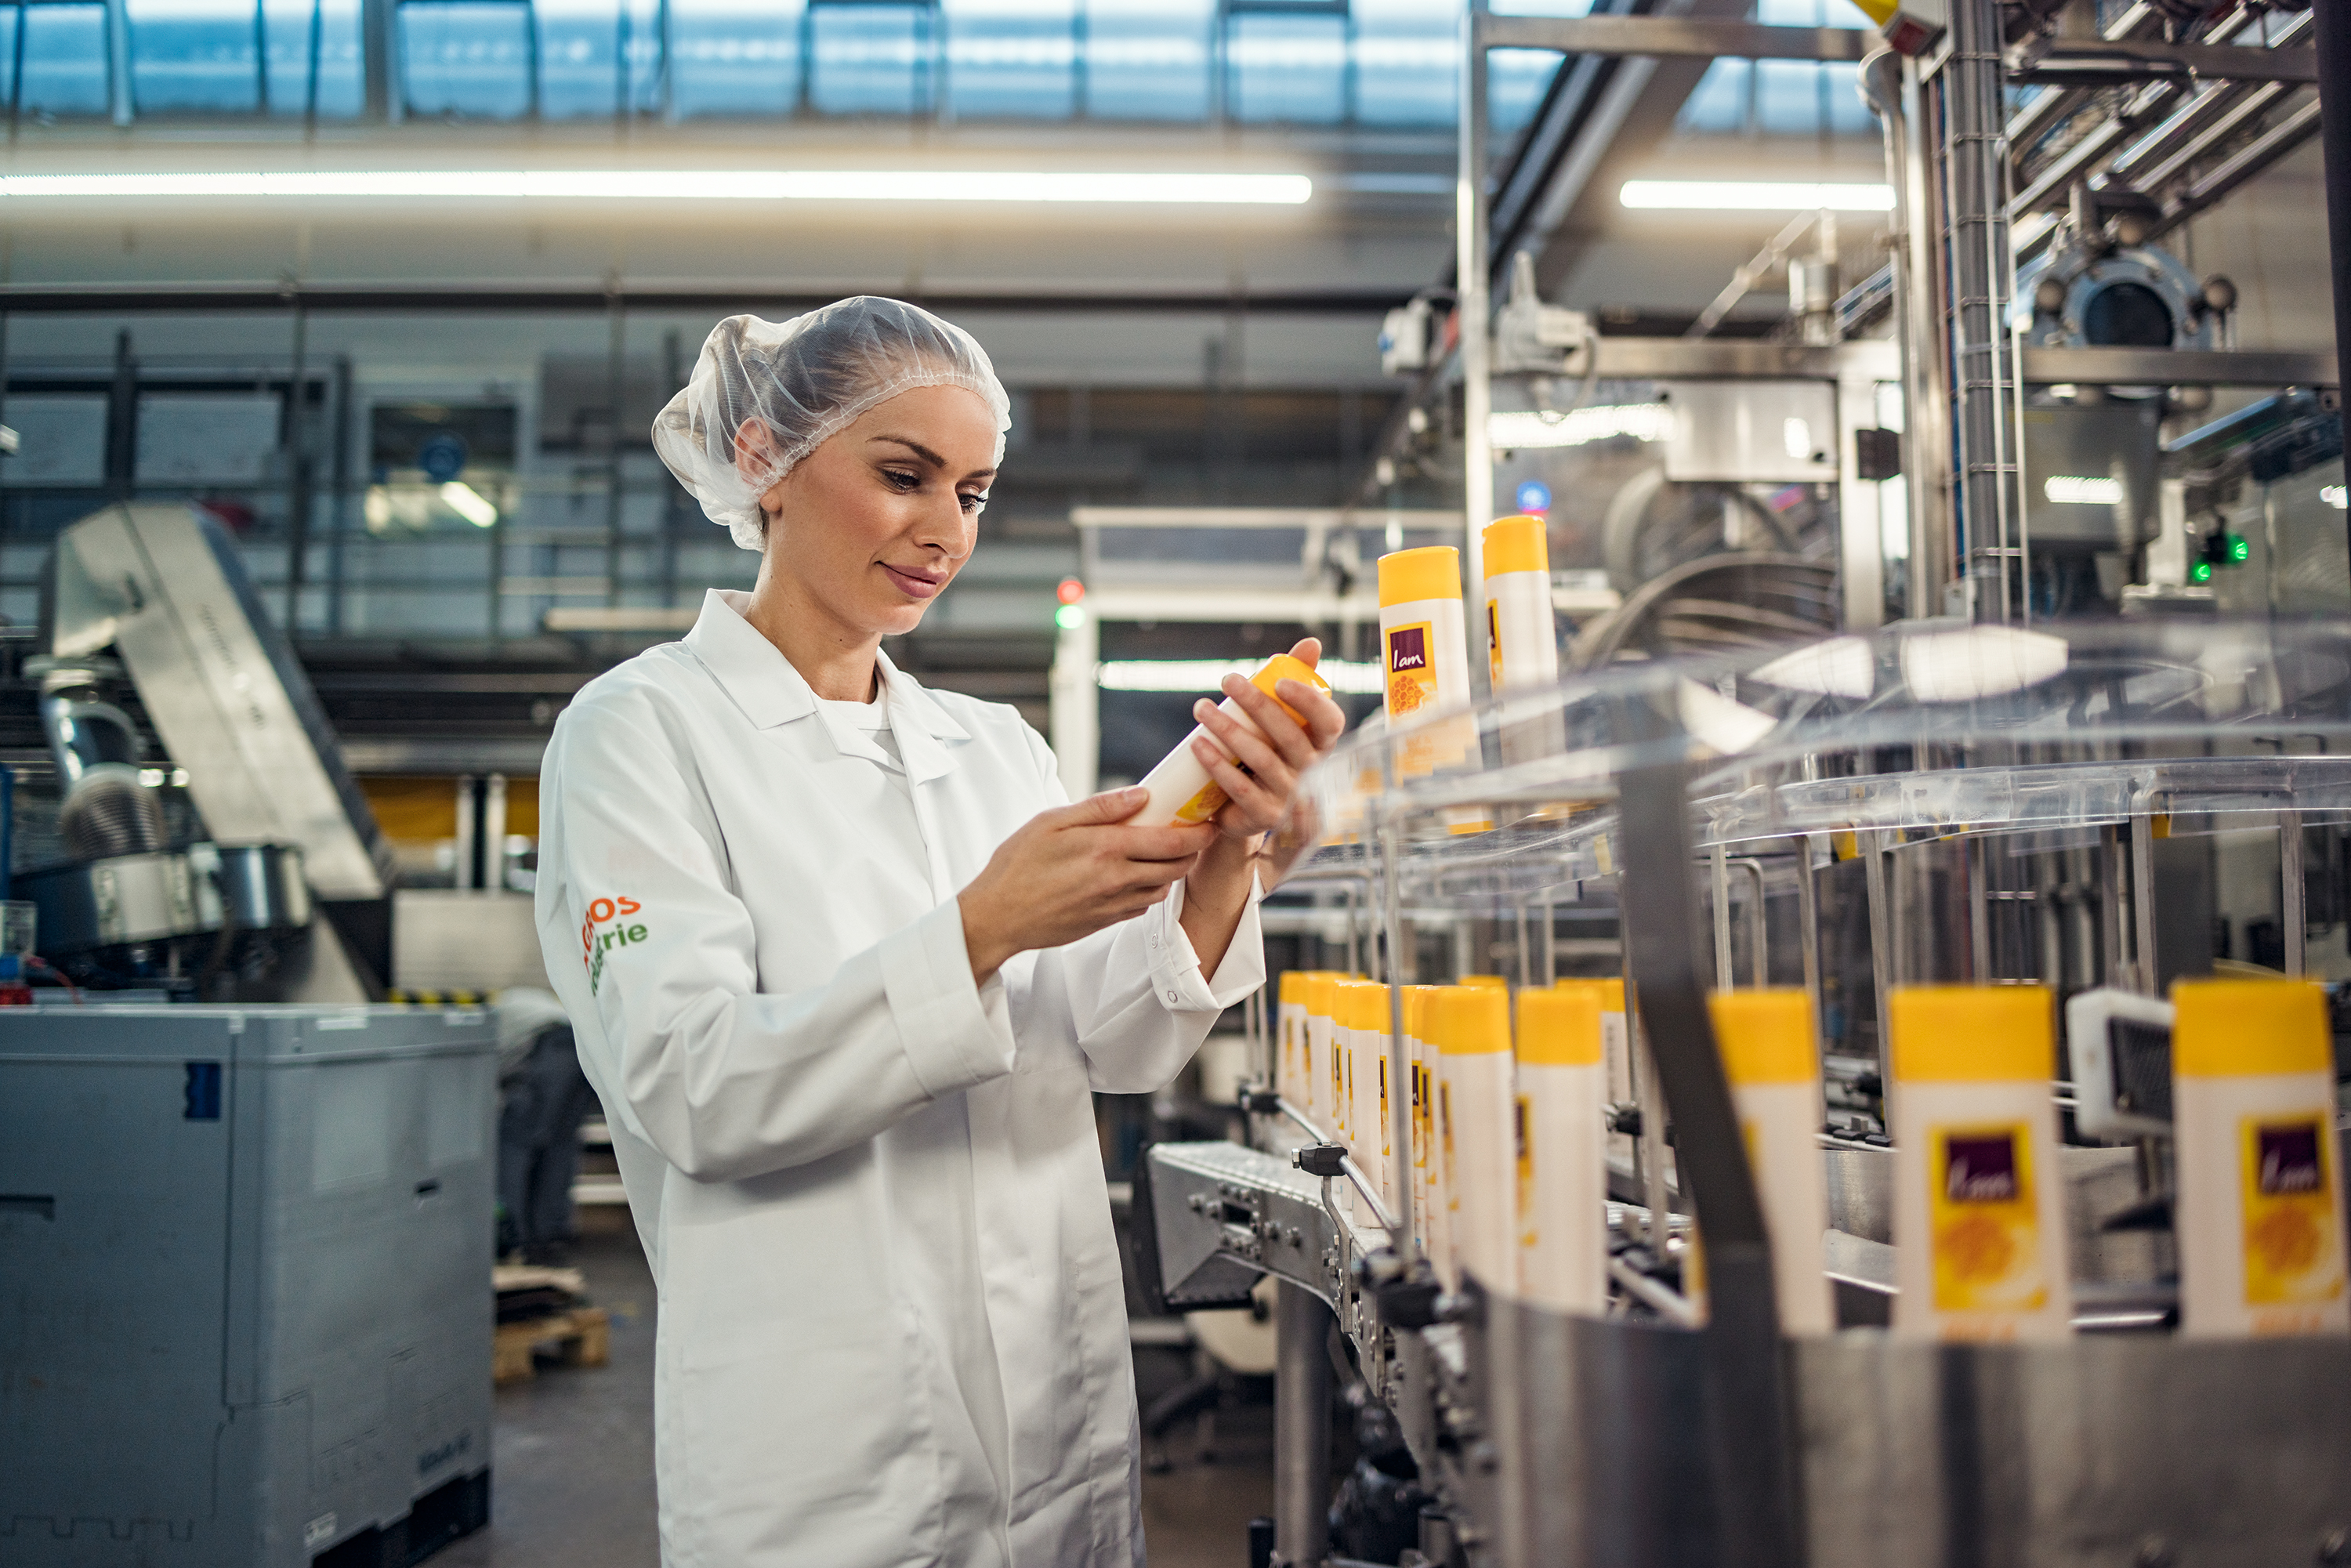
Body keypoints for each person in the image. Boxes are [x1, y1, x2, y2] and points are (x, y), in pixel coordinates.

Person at [532, 296, 1345, 1567]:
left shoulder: (993, 746)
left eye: (972, 493)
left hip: (1054, 1432)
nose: (946, 532)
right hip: (823, 1460)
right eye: (904, 475)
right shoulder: (639, 734)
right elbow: (694, 1086)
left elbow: (1114, 1044)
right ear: (764, 459)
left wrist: (1225, 864)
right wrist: (980, 927)